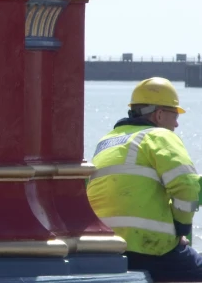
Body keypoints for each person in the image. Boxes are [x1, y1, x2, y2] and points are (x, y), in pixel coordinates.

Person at [87, 77, 202, 281]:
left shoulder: (106, 141)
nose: (176, 123)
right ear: (159, 114)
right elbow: (186, 185)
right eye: (174, 115)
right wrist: (181, 230)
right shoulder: (159, 136)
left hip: (104, 249)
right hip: (147, 249)